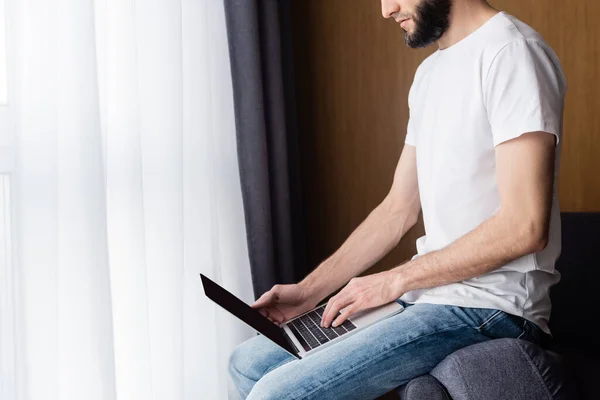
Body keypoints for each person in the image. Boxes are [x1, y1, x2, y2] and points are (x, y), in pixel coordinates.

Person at [229, 0, 567, 398]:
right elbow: (398, 208)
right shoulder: (430, 73)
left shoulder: (512, 53)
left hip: (492, 304)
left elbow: (524, 227)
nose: (387, 9)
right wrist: (307, 291)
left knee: (275, 394)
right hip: (430, 294)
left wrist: (392, 281)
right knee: (247, 363)